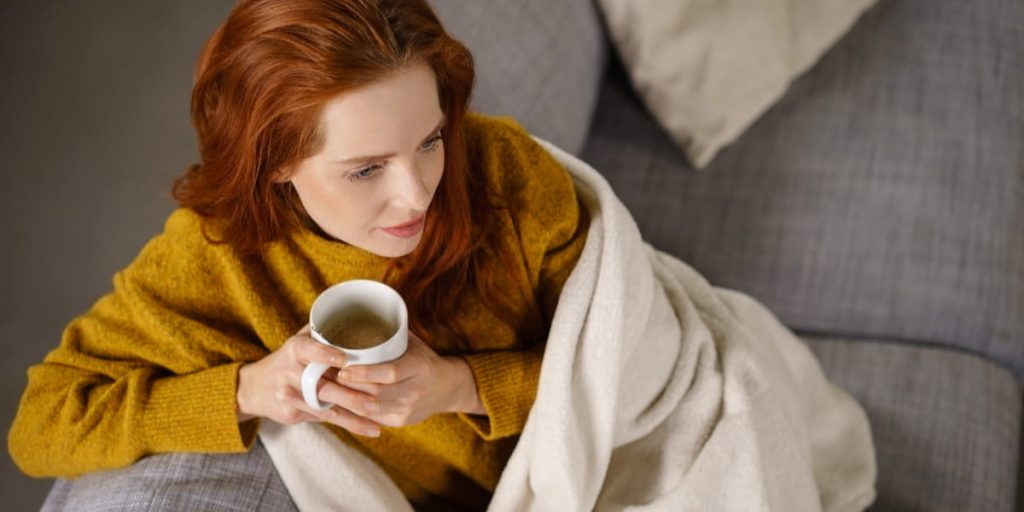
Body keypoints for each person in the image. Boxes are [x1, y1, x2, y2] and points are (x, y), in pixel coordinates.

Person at [7, 0, 587, 510]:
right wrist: (250, 390)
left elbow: (622, 362)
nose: (417, 194)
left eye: (430, 141)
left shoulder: (506, 172)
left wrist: (459, 386)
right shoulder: (217, 259)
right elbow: (42, 425)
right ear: (276, 161)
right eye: (366, 169)